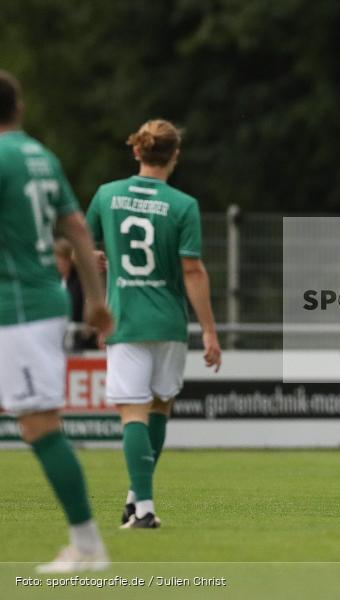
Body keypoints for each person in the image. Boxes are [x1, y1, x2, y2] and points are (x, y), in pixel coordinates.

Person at [0, 70, 114, 571]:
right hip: (36, 302)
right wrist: (93, 297)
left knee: (40, 425)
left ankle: (88, 546)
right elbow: (75, 226)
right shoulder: (40, 156)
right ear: (19, 108)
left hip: (18, 308)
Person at [87, 119, 221, 529]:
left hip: (125, 320)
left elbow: (83, 249)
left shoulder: (107, 195)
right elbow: (193, 271)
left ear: (136, 151)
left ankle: (143, 508)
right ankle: (135, 498)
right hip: (168, 322)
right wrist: (210, 331)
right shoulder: (182, 205)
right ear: (175, 156)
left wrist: (96, 263)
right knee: (159, 406)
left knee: (133, 413)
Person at [54, 238, 98, 351]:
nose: (56, 262)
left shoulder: (81, 282)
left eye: (59, 258)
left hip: (80, 340)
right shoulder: (53, 282)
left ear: (69, 259)